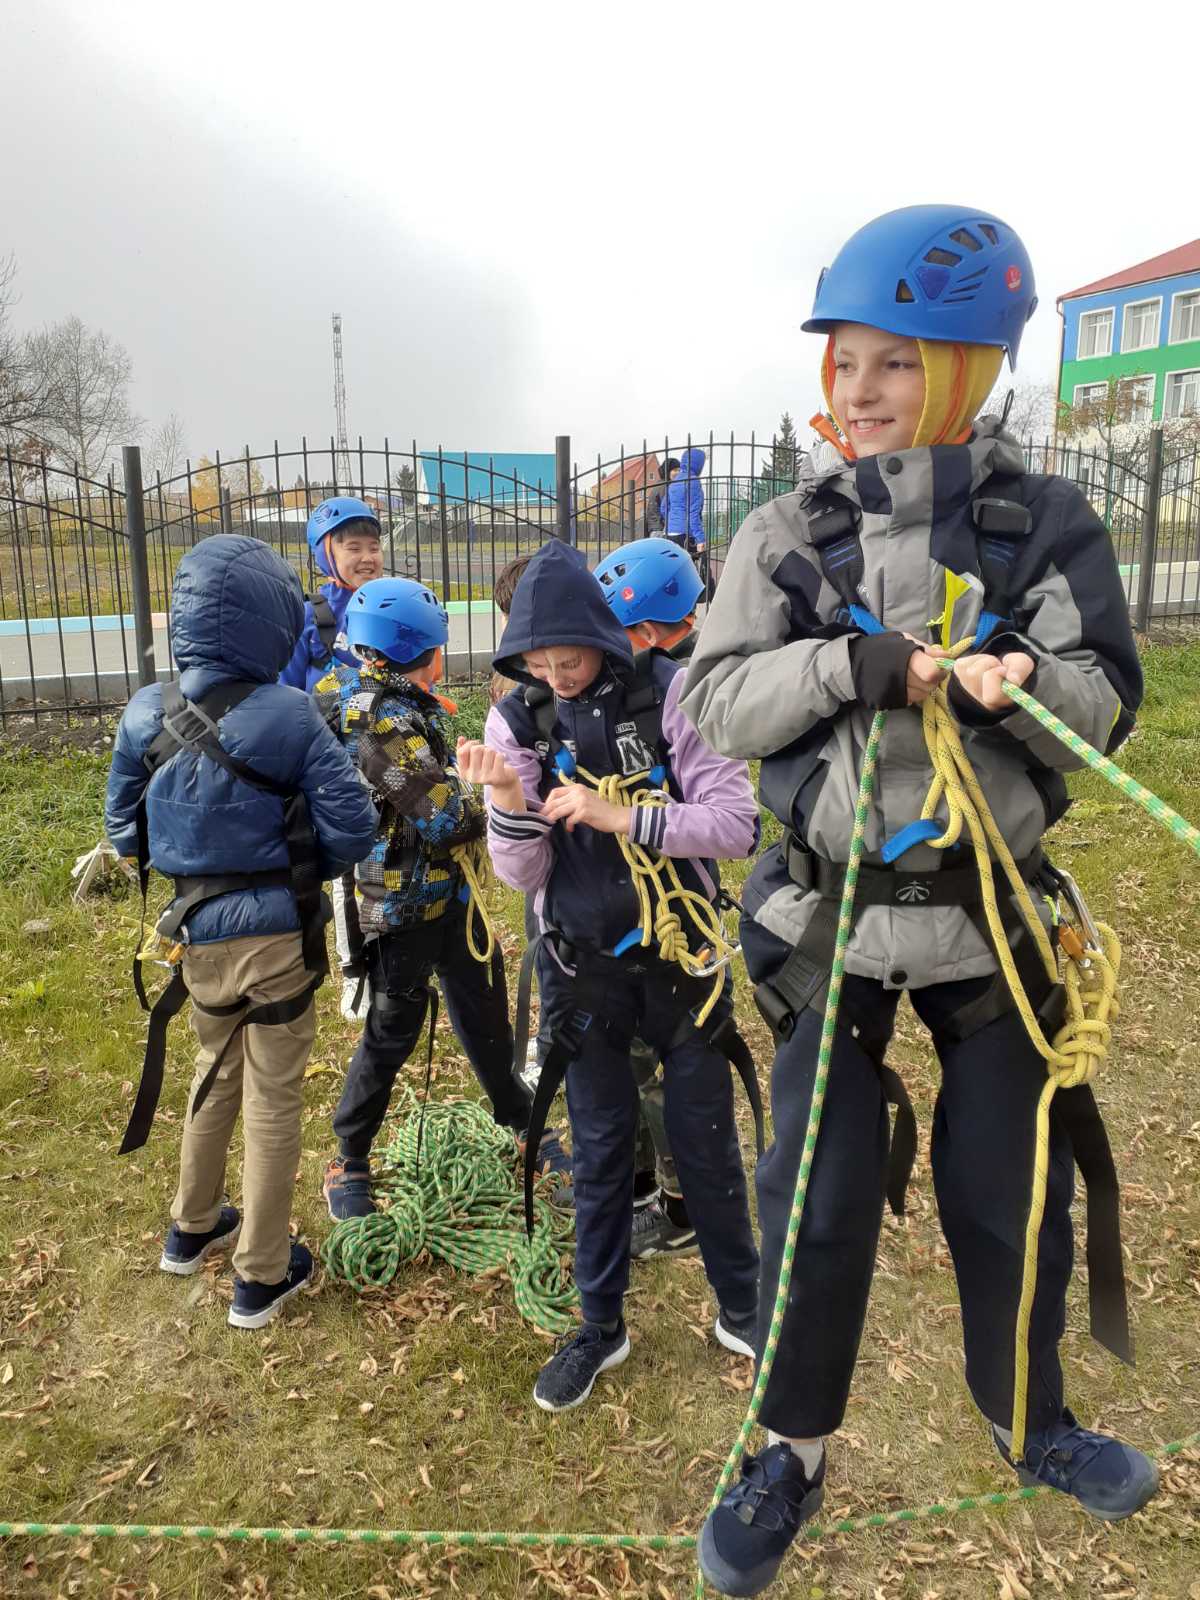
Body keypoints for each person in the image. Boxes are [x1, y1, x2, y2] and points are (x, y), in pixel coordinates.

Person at [680, 205, 1154, 1597]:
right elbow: (716, 701)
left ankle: (1031, 1415)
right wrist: (855, 667)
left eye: (894, 364)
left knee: (1009, 1183)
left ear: (964, 372)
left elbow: (1106, 706)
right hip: (827, 921)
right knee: (815, 1196)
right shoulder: (784, 533)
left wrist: (1022, 680)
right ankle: (791, 1450)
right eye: (845, 363)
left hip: (989, 915)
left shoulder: (1044, 526)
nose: (861, 391)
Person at [458, 539, 761, 1412]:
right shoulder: (517, 723)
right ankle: (600, 1325)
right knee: (597, 1149)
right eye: (538, 663)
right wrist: (509, 805)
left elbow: (736, 824)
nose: (556, 676)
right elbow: (523, 876)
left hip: (682, 960)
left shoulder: (673, 695)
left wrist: (622, 816)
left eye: (572, 659)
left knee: (706, 1142)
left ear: (602, 637)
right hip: (580, 970)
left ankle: (744, 1308)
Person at [105, 534, 377, 1329]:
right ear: (272, 621)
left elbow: (125, 833)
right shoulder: (290, 715)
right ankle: (262, 1273)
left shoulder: (146, 712)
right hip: (275, 939)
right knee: (273, 1095)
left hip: (192, 932)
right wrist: (301, 869)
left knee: (213, 1069)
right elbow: (355, 830)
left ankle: (190, 1228)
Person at [314, 576, 568, 1222]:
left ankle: (519, 1117)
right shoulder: (376, 717)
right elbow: (445, 818)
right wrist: (505, 795)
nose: (443, 657)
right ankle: (350, 1154)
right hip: (398, 903)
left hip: (449, 894)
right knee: (392, 1028)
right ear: (420, 650)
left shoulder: (403, 701)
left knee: (484, 1011)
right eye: (439, 647)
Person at [593, 536, 707, 1256]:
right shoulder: (633, 686)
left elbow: (722, 819)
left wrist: (629, 818)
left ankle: (681, 1204)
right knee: (627, 1058)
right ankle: (638, 1180)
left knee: (662, 1062)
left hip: (669, 906)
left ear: (650, 631)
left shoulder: (680, 692)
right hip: (620, 905)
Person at [279, 495, 387, 1022]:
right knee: (347, 870)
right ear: (326, 554)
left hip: (393, 757)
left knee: (393, 862)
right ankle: (355, 970)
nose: (367, 557)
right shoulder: (312, 617)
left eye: (373, 546)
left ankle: (395, 952)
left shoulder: (390, 604)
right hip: (336, 767)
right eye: (352, 547)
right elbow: (285, 693)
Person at [664, 447, 706, 555]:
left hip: (669, 533)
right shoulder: (693, 481)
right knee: (692, 564)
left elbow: (664, 508)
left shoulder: (674, 481)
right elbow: (693, 513)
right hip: (685, 534)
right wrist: (700, 538)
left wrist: (672, 522)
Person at [643, 457, 678, 536]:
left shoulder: (661, 484)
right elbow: (666, 508)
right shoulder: (665, 486)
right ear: (667, 471)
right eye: (675, 470)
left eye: (679, 470)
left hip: (656, 527)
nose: (678, 473)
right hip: (660, 528)